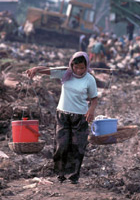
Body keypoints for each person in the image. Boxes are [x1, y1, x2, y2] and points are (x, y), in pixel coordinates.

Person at [26, 51, 98, 184]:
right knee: (61, 144)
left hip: (80, 117)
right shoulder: (65, 73)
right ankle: (61, 173)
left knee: (78, 146)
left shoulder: (89, 79)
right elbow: (47, 70)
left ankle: (74, 175)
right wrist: (36, 69)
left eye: (82, 67)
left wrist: (91, 111)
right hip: (62, 115)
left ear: (86, 66)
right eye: (76, 67)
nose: (79, 70)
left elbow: (94, 99)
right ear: (71, 65)